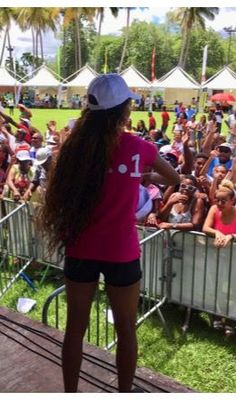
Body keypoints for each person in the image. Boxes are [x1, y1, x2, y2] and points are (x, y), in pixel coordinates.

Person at [37, 74, 180, 392]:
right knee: (127, 330)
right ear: (123, 109)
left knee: (75, 329)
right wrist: (138, 175)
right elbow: (173, 178)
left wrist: (130, 176)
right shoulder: (139, 147)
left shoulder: (75, 145)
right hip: (122, 252)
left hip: (81, 248)